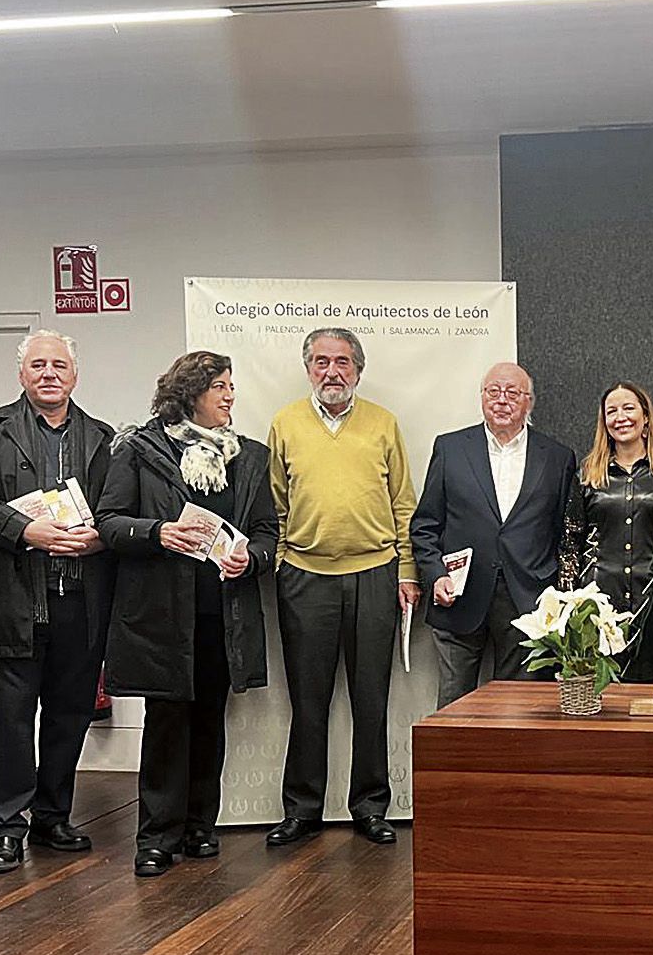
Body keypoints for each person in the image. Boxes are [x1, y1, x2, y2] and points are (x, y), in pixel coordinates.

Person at [97, 352, 278, 877]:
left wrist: (253, 558)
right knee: (166, 725)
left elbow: (267, 530)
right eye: (219, 386)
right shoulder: (139, 448)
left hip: (225, 615)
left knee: (209, 724)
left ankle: (201, 826)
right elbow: (108, 522)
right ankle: (156, 837)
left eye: (231, 386)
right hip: (161, 616)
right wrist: (157, 532)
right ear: (190, 393)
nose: (229, 396)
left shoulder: (249, 457)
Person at [0, 330, 113, 875]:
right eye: (38, 364)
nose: (49, 373)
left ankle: (53, 815)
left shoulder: (102, 437)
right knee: (11, 720)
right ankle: (6, 827)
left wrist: (101, 537)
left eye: (59, 364)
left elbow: (116, 507)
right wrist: (27, 531)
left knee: (70, 715)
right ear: (22, 375)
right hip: (14, 598)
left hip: (79, 599)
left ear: (75, 374)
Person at [265, 328, 418, 848]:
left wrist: (407, 572)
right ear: (308, 367)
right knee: (308, 702)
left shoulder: (383, 424)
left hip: (375, 574)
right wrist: (284, 565)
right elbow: (276, 506)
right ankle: (302, 809)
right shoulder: (285, 423)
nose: (333, 371)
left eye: (343, 362)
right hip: (306, 578)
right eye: (322, 361)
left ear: (358, 369)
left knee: (371, 699)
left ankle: (371, 806)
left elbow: (403, 505)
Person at [410, 362, 576, 707]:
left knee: (522, 710)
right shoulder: (451, 448)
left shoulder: (558, 458)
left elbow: (566, 532)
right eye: (493, 392)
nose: (502, 401)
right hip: (459, 597)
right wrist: (435, 575)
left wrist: (559, 596)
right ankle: (454, 765)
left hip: (529, 601)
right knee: (455, 708)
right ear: (482, 398)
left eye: (512, 393)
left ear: (528, 402)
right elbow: (425, 525)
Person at [557, 381, 653, 682]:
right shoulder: (587, 474)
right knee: (602, 696)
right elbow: (570, 542)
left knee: (652, 700)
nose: (620, 417)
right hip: (598, 605)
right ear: (604, 422)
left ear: (646, 416)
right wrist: (568, 607)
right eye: (612, 411)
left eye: (628, 408)